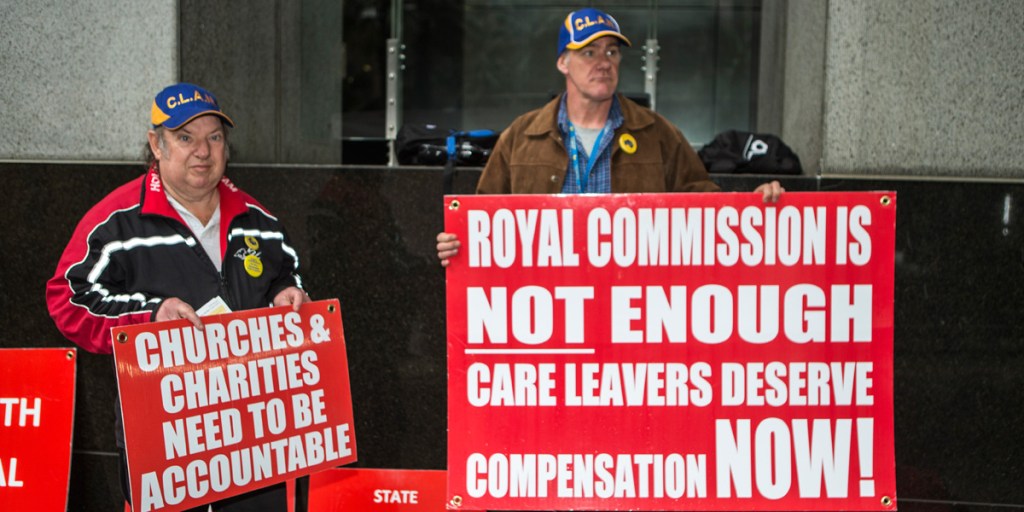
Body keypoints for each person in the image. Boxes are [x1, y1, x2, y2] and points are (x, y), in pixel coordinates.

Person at [46, 83, 310, 511]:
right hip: (163, 440)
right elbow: (67, 299)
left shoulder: (259, 221)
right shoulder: (117, 224)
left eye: (214, 137)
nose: (202, 152)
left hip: (256, 441)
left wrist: (288, 295)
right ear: (157, 144)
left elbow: (288, 275)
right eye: (185, 138)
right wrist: (149, 318)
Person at [437, 7, 784, 265]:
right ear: (562, 63)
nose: (604, 62)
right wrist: (456, 243)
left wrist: (750, 207)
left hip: (631, 307)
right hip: (548, 304)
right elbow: (481, 221)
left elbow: (705, 206)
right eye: (589, 52)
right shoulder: (522, 135)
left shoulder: (656, 133)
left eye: (612, 52)